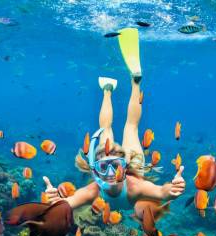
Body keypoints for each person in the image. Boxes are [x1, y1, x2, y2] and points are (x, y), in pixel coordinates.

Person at [42, 28, 185, 211]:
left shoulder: (134, 186)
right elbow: (67, 204)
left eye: (115, 166)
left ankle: (112, 88)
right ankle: (130, 83)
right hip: (134, 161)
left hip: (130, 164)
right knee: (130, 127)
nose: (110, 173)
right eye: (104, 167)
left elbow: (161, 192)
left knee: (111, 128)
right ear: (96, 170)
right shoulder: (94, 190)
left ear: (124, 167)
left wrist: (171, 190)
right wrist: (56, 202)